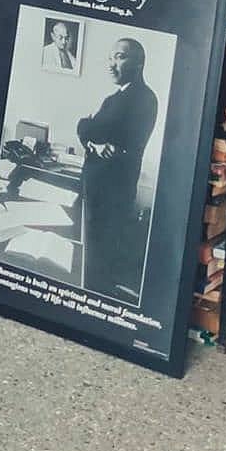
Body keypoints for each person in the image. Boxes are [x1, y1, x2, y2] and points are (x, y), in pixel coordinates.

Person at [76, 38, 158, 299]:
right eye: (110, 57)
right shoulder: (113, 98)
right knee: (89, 250)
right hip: (97, 185)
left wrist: (90, 128)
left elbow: (100, 129)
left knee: (100, 258)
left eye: (120, 57)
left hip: (112, 191)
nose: (112, 64)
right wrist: (93, 139)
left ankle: (95, 304)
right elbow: (85, 128)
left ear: (139, 63)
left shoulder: (144, 98)